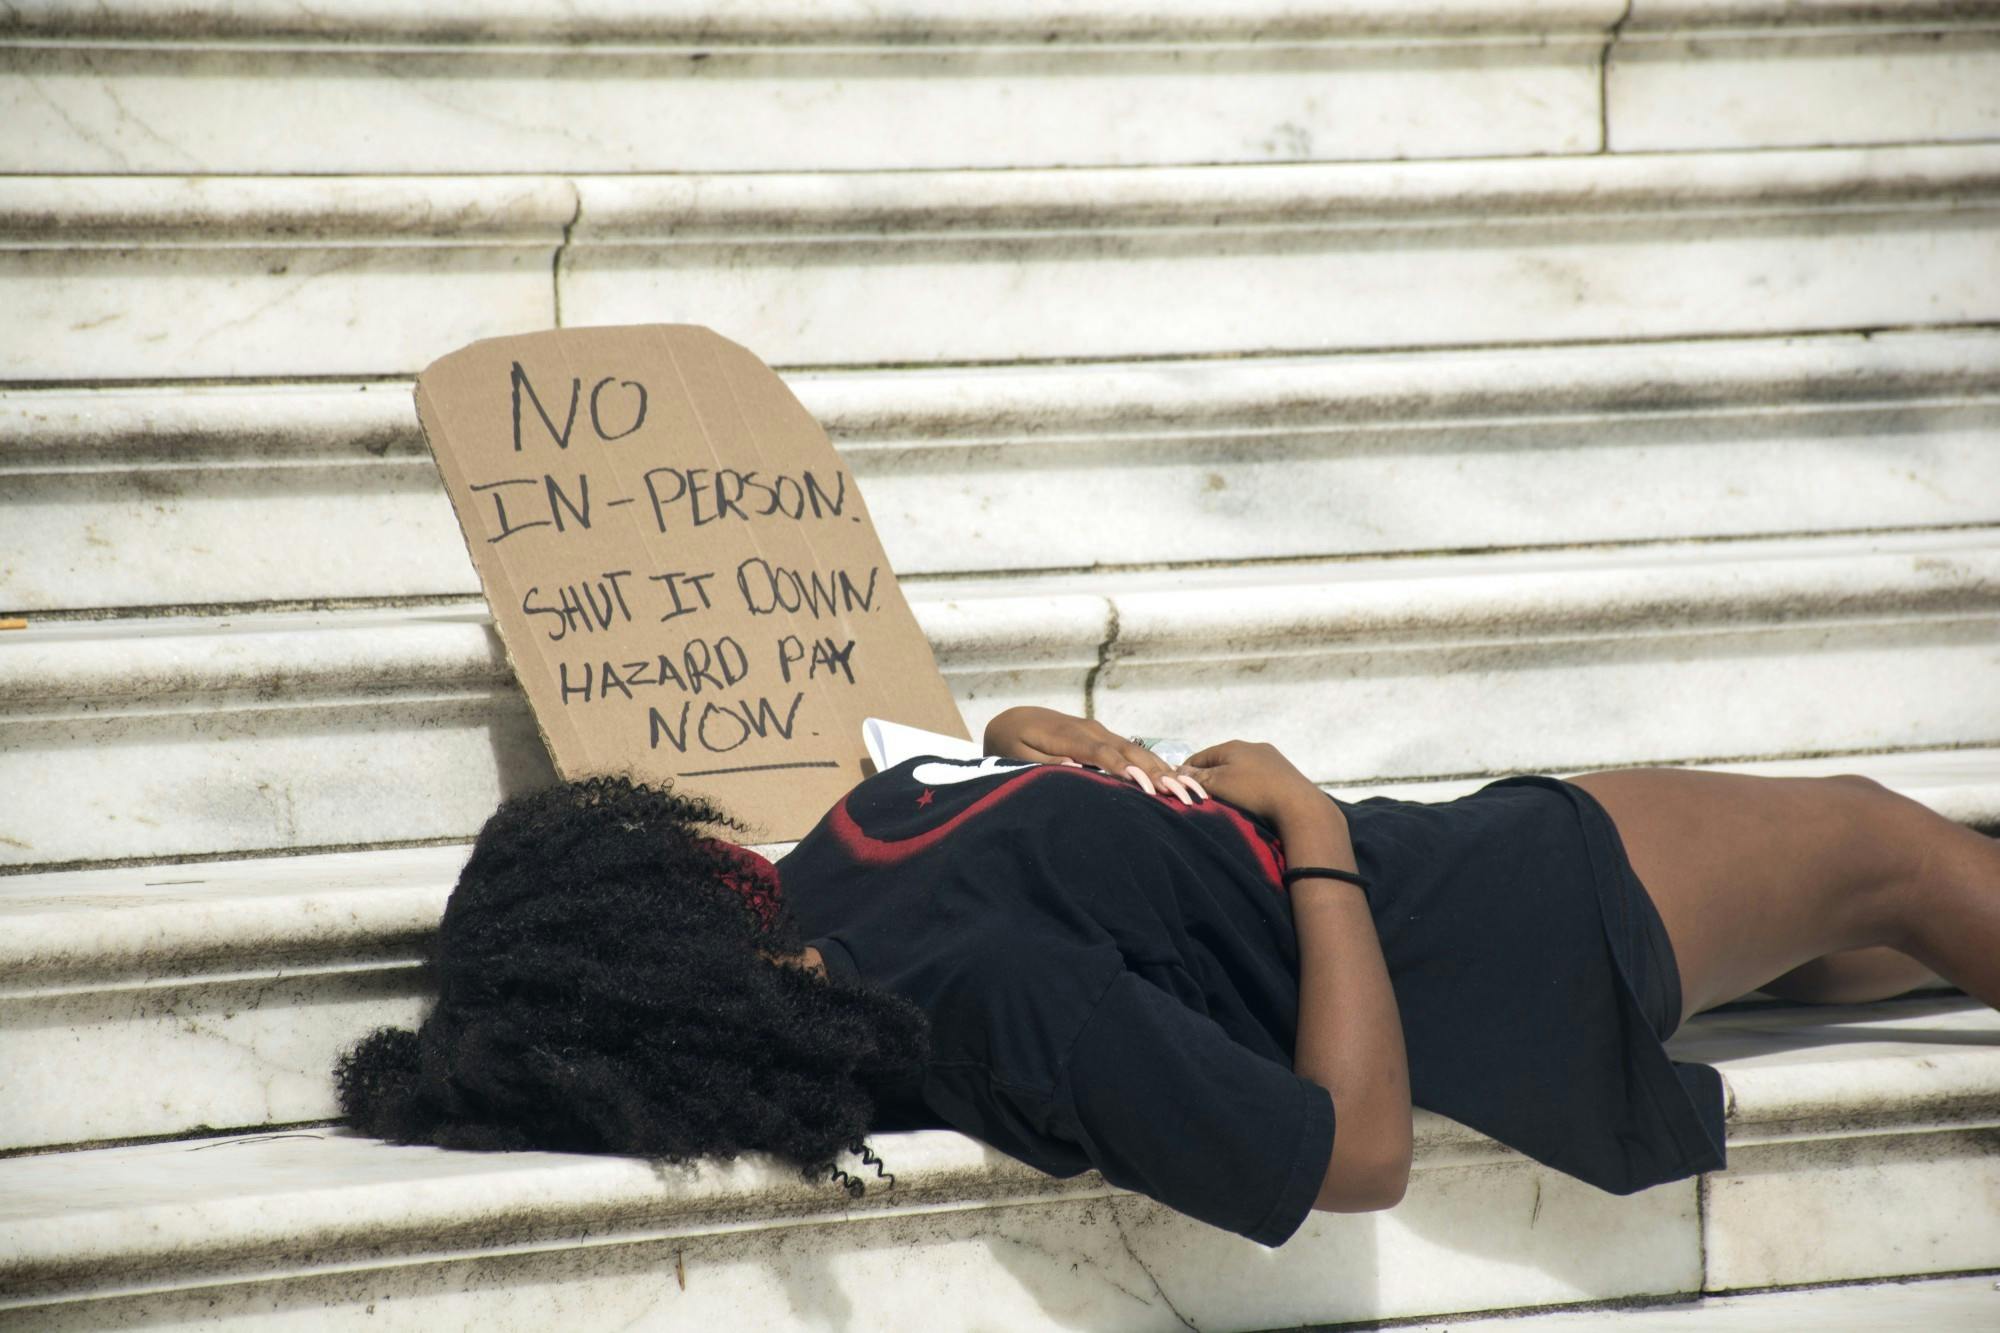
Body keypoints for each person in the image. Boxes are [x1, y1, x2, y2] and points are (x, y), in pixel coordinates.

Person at [336, 706, 2000, 1246]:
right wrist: (1311, 827)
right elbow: (1354, 1153)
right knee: (1888, 846)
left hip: (1430, 880)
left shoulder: (821, 884)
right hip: (1493, 924)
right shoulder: (980, 996)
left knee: (1848, 945)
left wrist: (1026, 741)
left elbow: (961, 797)